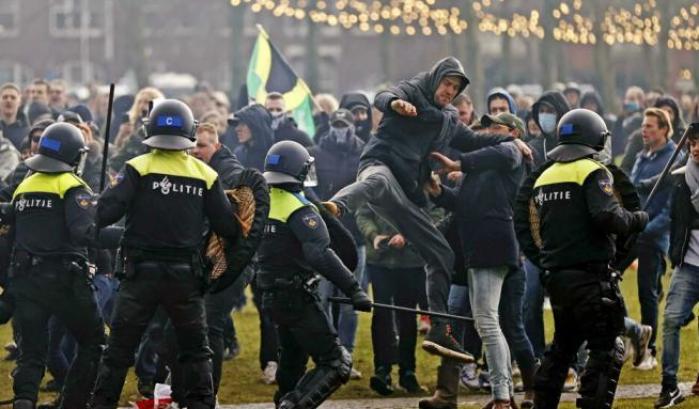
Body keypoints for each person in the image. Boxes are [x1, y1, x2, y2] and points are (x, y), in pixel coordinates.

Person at [322, 57, 531, 361]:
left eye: (455, 88)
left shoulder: (448, 119)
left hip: (407, 192)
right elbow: (381, 98)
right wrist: (396, 104)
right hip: (380, 165)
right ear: (436, 80)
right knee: (377, 181)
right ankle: (336, 207)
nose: (449, 91)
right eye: (446, 84)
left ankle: (440, 329)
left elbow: (472, 139)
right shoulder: (415, 90)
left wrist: (512, 141)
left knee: (441, 253)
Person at [90, 99, 241, 409]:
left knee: (118, 351)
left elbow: (103, 213)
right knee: (196, 352)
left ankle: (101, 404)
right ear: (189, 133)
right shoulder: (205, 174)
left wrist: (104, 195)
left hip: (139, 277)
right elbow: (228, 226)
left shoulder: (136, 167)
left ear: (150, 130)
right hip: (185, 279)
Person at [514, 109, 649, 409]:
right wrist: (637, 219)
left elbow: (534, 230)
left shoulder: (544, 176)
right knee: (605, 351)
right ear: (596, 138)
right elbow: (606, 217)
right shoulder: (593, 171)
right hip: (592, 279)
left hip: (557, 279)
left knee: (560, 351)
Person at [425, 112, 532, 409]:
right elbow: (461, 203)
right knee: (487, 321)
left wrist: (458, 163)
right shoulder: (482, 169)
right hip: (477, 247)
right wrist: (437, 191)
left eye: (495, 127)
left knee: (487, 321)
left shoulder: (511, 150)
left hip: (492, 245)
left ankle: (501, 397)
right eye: (486, 127)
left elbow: (498, 152)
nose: (487, 131)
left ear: (512, 132)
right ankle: (504, 394)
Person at [256, 140, 371, 409]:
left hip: (272, 296)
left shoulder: (265, 204)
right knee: (336, 362)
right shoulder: (299, 209)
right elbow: (320, 254)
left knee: (293, 359)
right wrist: (354, 289)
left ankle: (284, 400)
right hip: (297, 296)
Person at [6, 122, 106, 409]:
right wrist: (124, 236)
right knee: (93, 342)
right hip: (66, 282)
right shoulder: (73, 186)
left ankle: (24, 400)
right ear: (76, 156)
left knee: (31, 353)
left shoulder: (24, 186)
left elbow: (8, 238)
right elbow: (83, 233)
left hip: (26, 281)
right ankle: (73, 402)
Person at [310, 109, 366, 379]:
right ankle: (326, 354)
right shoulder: (316, 153)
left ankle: (347, 354)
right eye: (336, 124)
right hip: (323, 236)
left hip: (353, 237)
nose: (340, 129)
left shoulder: (363, 153)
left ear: (353, 125)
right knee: (320, 298)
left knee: (348, 300)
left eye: (344, 124)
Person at [356, 204, 427, 395]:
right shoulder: (374, 178)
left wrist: (408, 236)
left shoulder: (418, 179)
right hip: (380, 259)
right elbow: (362, 214)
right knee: (382, 315)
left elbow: (431, 213)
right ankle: (382, 370)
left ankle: (407, 371)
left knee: (408, 315)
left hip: (411, 260)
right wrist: (374, 235)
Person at [629, 108, 677, 371]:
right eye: (643, 125)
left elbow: (669, 211)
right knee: (608, 277)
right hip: (632, 231)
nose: (644, 130)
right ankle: (628, 332)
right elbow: (634, 189)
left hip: (653, 237)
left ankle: (650, 350)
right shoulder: (641, 156)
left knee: (648, 293)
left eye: (649, 126)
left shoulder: (674, 159)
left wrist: (644, 228)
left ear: (664, 130)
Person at [655, 124, 699, 408]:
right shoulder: (681, 178)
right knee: (671, 320)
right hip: (689, 264)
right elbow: (673, 216)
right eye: (693, 143)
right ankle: (669, 386)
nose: (696, 148)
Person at [1, 83, 29, 150]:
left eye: (13, 97)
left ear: (19, 102)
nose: (8, 100)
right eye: (5, 97)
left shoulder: (27, 133)